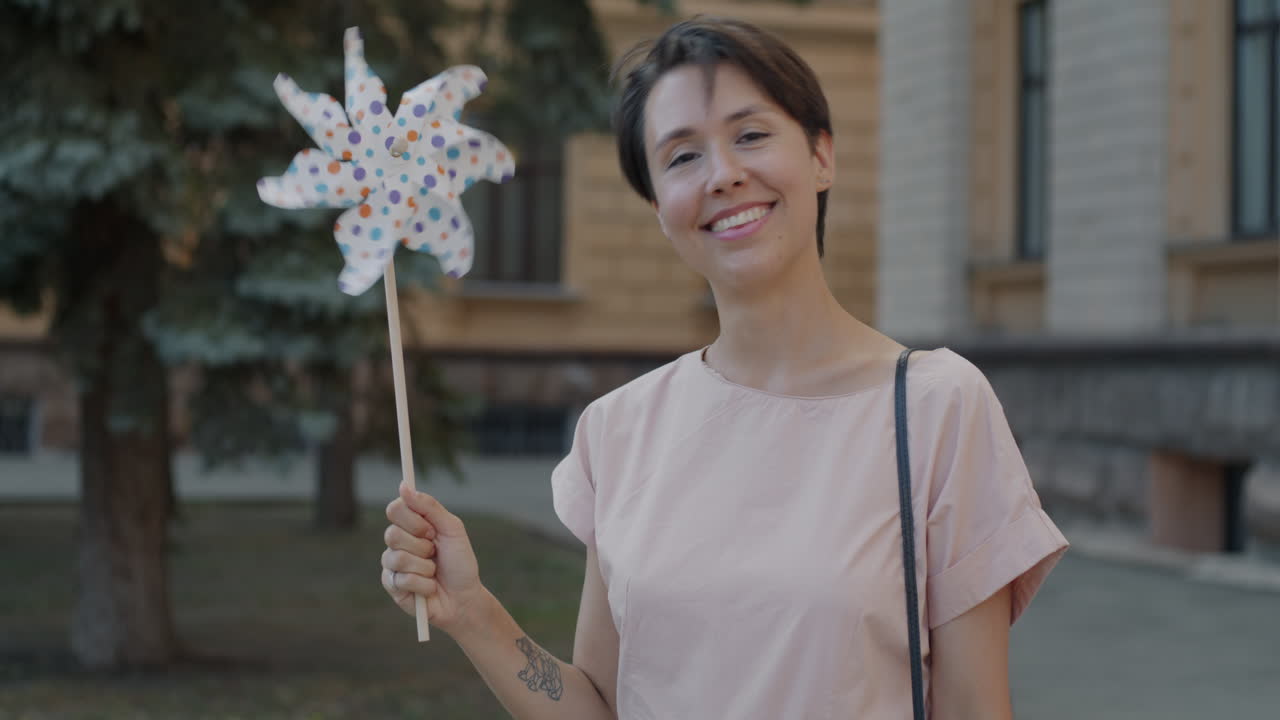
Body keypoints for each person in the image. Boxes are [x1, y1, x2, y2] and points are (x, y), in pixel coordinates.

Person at [380, 16, 1068, 719]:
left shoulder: (936, 408)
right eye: (683, 156)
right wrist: (471, 609)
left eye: (751, 135)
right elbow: (599, 707)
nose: (724, 175)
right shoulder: (618, 430)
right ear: (658, 206)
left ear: (821, 156)